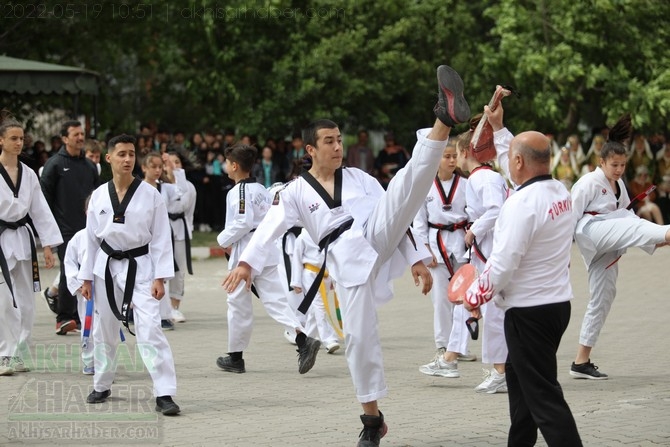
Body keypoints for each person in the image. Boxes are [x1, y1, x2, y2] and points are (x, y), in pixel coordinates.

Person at [223, 64, 470, 446]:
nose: (338, 147)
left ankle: (443, 119)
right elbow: (269, 229)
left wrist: (417, 258)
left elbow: (398, 213)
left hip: (375, 236)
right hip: (347, 263)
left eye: (340, 139)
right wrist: (244, 263)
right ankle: (373, 421)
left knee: (405, 185)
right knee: (358, 340)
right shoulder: (294, 193)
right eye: (329, 141)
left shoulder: (361, 178)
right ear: (310, 149)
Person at [462, 102, 583, 447]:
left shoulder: (520, 204)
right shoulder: (558, 190)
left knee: (545, 398)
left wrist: (474, 295)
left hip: (529, 312)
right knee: (519, 379)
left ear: (518, 162)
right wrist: (501, 131)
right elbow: (517, 163)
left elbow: (502, 264)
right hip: (555, 306)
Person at [79, 134, 180, 415]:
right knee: (105, 330)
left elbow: (161, 238)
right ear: (108, 158)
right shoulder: (99, 195)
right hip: (106, 268)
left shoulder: (151, 195)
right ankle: (102, 383)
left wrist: (161, 277)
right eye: (121, 154)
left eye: (132, 154)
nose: (127, 159)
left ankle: (164, 392)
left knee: (150, 329)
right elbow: (90, 240)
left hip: (141, 266)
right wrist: (85, 277)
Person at [569, 114, 670, 380]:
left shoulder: (619, 185)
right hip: (591, 232)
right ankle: (666, 231)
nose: (619, 169)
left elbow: (628, 216)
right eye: (614, 165)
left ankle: (581, 361)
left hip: (610, 239)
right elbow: (570, 216)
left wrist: (656, 242)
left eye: (623, 165)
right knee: (629, 224)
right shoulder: (588, 182)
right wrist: (559, 257)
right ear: (600, 162)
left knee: (602, 299)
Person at [215, 144, 322, 375]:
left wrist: (222, 239)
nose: (226, 166)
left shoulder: (239, 191)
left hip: (247, 250)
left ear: (234, 165)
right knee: (276, 300)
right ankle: (302, 340)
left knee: (237, 304)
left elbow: (243, 222)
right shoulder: (262, 189)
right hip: (266, 249)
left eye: (227, 162)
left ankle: (235, 357)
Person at [0, 112, 62, 376]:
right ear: (1, 141)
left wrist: (48, 245)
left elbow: (40, 210)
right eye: (13, 138)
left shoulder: (28, 173)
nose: (19, 143)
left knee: (26, 301)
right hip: (1, 239)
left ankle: (20, 352)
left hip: (23, 240)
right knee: (3, 301)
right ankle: (5, 354)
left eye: (21, 138)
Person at [456, 117, 509, 394]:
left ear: (466, 152)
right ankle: (501, 369)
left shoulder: (484, 177)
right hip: (484, 249)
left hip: (489, 248)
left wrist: (473, 231)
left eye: (457, 153)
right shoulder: (484, 177)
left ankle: (501, 371)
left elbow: (495, 209)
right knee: (489, 310)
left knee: (494, 312)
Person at [415, 139, 474, 378]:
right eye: (446, 156)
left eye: (453, 156)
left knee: (463, 298)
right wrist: (424, 249)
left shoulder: (467, 184)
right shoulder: (425, 186)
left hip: (462, 241)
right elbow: (418, 222)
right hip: (436, 245)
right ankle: (443, 344)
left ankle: (461, 347)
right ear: (437, 159)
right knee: (441, 299)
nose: (451, 160)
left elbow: (474, 213)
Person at [40, 120, 99, 335]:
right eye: (75, 134)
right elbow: (44, 199)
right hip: (63, 230)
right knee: (69, 272)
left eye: (82, 134)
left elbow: (97, 198)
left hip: (88, 231)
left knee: (88, 271)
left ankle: (81, 315)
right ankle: (64, 317)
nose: (80, 138)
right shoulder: (54, 165)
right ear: (65, 138)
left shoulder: (90, 166)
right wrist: (48, 231)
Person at [290, 228, 342, 354]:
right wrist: (296, 281)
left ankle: (308, 339)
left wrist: (333, 277)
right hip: (310, 274)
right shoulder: (302, 237)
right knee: (320, 306)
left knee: (315, 309)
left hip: (325, 275)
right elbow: (296, 259)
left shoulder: (326, 231)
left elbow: (332, 255)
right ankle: (329, 340)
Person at [63, 196, 96, 375]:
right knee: (88, 323)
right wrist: (79, 285)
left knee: (107, 326)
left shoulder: (112, 237)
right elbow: (69, 264)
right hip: (85, 291)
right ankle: (89, 360)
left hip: (107, 289)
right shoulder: (78, 238)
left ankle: (106, 360)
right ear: (86, 213)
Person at [165, 152, 197, 322]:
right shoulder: (157, 186)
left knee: (179, 271)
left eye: (176, 162)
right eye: (169, 162)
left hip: (180, 230)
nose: (172, 165)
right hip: (161, 232)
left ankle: (175, 306)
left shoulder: (188, 187)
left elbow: (183, 206)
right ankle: (160, 306)